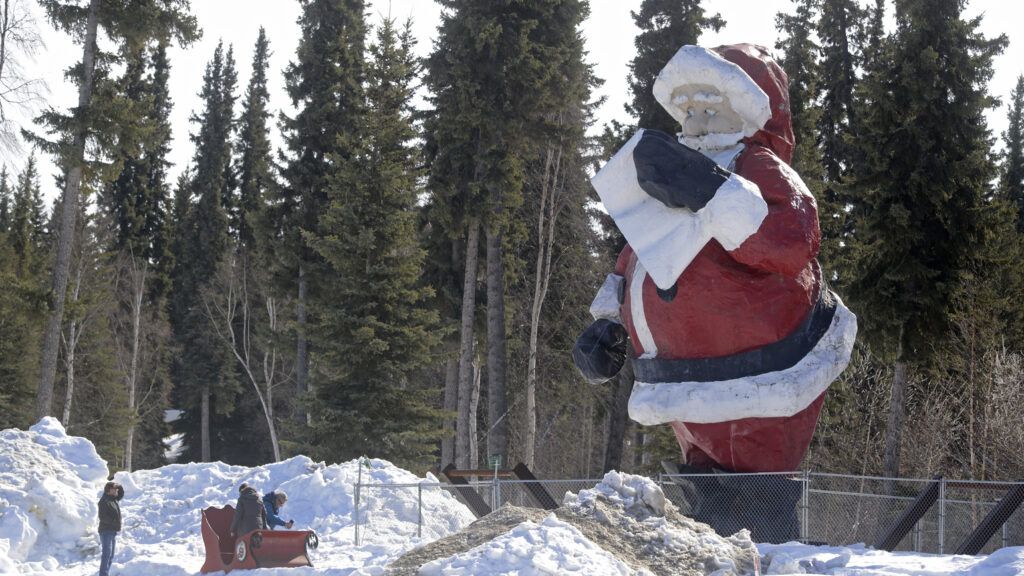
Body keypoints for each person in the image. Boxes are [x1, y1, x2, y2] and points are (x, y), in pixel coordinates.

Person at [576, 44, 857, 474]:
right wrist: (609, 323)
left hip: (764, 372)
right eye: (688, 112)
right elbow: (640, 250)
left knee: (754, 477)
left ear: (747, 110)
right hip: (679, 378)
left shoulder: (758, 168)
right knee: (701, 472)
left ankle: (763, 528)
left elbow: (789, 241)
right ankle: (710, 521)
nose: (695, 123)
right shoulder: (670, 172)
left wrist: (710, 191)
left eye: (709, 110)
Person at [97, 481, 123, 576]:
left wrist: (119, 486)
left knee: (110, 555)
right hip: (106, 531)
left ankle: (105, 573)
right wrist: (114, 523)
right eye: (114, 489)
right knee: (106, 555)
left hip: (112, 531)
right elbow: (102, 517)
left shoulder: (113, 499)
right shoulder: (104, 501)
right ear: (109, 490)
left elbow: (121, 494)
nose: (116, 490)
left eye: (116, 489)